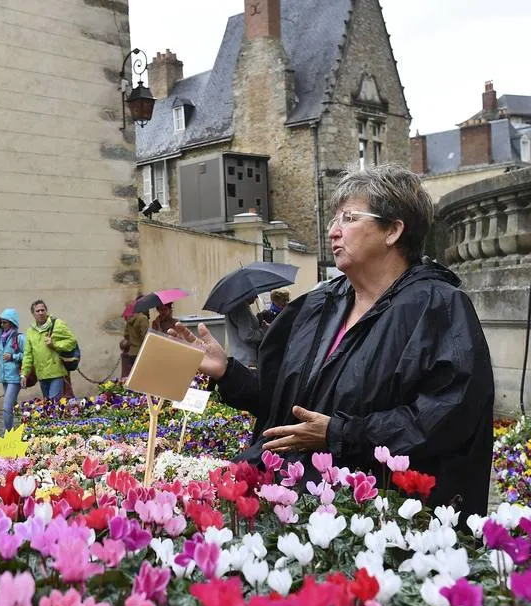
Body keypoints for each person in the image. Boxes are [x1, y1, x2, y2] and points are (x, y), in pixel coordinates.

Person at [173, 164, 494, 516]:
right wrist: (228, 372)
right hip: (296, 501)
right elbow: (287, 406)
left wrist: (339, 434)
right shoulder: (318, 306)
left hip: (371, 516)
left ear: (392, 230)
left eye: (350, 218)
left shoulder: (438, 308)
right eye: (334, 219)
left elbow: (443, 421)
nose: (333, 231)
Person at [20, 300, 77, 400]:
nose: (41, 313)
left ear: (46, 311)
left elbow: (72, 341)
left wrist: (55, 345)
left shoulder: (57, 324)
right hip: (41, 374)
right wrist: (24, 374)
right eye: (38, 311)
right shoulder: (30, 331)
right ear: (33, 314)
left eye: (43, 310)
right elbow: (28, 354)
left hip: (56, 372)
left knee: (54, 402)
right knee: (48, 403)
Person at [0, 309, 25, 431]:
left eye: (5, 322)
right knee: (12, 405)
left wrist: (13, 356)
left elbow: (28, 355)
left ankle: (8, 433)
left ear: (12, 323)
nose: (3, 325)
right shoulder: (1, 337)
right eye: (1, 322)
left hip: (15, 376)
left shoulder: (19, 338)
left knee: (6, 408)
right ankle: (22, 425)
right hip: (4, 376)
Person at [225, 296, 263, 368]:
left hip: (239, 356)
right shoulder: (242, 308)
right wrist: (263, 332)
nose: (256, 297)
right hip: (246, 358)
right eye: (254, 294)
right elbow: (247, 335)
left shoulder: (233, 306)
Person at [121, 299, 149, 379]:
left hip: (131, 352)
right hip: (141, 352)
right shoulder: (143, 318)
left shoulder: (129, 319)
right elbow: (145, 336)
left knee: (133, 377)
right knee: (142, 377)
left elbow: (126, 335)